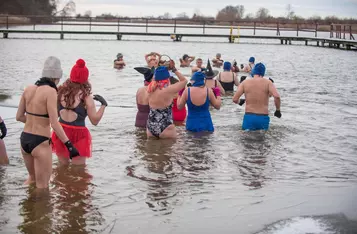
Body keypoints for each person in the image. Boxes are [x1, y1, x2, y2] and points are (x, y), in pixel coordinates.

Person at [16, 56, 80, 189]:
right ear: (56, 77)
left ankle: (25, 207)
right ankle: (40, 209)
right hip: (40, 142)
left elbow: (19, 116)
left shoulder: (28, 89)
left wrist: (35, 121)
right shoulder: (51, 92)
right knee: (43, 187)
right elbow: (55, 123)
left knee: (32, 179)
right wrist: (69, 145)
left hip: (25, 139)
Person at [51, 59, 107, 165]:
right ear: (85, 78)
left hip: (61, 132)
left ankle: (61, 181)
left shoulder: (59, 92)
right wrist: (103, 105)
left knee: (62, 167)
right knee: (79, 171)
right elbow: (95, 121)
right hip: (79, 135)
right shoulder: (86, 97)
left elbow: (55, 115)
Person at [233, 63, 281, 131]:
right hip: (263, 117)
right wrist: (278, 110)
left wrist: (239, 102)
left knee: (246, 140)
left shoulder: (245, 83)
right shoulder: (268, 83)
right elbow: (277, 96)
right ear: (263, 73)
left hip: (249, 117)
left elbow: (234, 99)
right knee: (263, 140)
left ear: (253, 71)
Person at [146, 62, 187, 139]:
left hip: (151, 126)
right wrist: (174, 69)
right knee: (169, 150)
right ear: (167, 78)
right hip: (166, 126)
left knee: (152, 150)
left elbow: (154, 80)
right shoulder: (168, 90)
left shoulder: (149, 89)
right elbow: (184, 81)